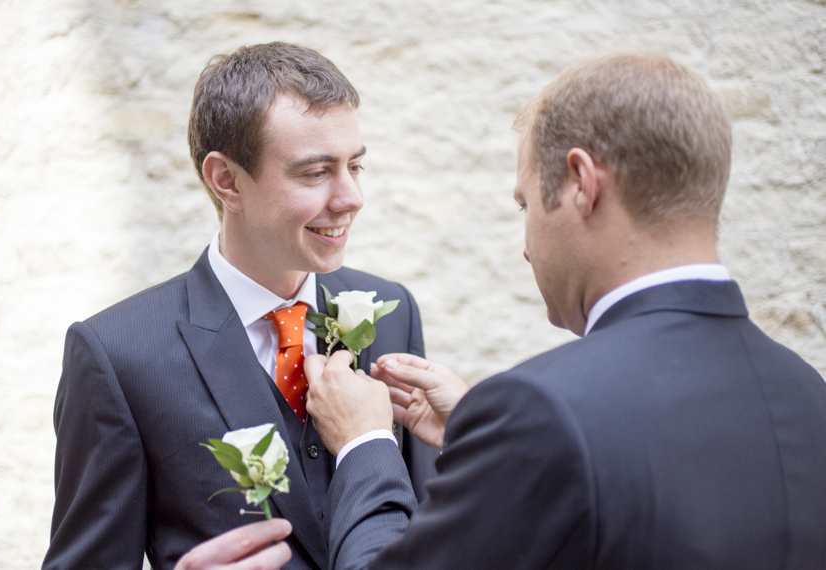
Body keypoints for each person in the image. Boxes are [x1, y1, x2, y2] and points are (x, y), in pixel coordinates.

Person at [302, 51, 826, 569]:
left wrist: (364, 443)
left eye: (525, 204)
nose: (526, 247)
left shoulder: (540, 408)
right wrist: (488, 443)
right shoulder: (806, 392)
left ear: (581, 184)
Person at [42, 42, 437, 570]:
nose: (350, 198)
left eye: (355, 166)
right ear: (226, 180)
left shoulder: (390, 310)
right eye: (315, 172)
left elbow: (429, 531)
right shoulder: (119, 355)